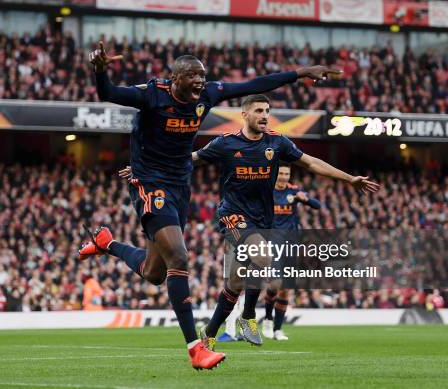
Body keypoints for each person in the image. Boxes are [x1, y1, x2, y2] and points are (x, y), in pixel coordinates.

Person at [80, 41, 340, 369]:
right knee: (179, 256)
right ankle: (196, 349)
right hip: (149, 182)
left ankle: (107, 242)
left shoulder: (207, 95)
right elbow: (109, 94)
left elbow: (255, 84)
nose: (202, 82)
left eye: (204, 76)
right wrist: (100, 70)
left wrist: (301, 73)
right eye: (194, 76)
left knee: (154, 272)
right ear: (176, 79)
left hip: (180, 185)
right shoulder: (152, 94)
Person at [190, 95, 378, 349]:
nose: (264, 115)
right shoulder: (225, 144)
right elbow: (191, 159)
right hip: (232, 214)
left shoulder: (277, 142)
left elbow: (310, 162)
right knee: (263, 256)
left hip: (262, 219)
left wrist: (348, 179)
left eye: (267, 110)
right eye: (258, 110)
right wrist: (149, 170)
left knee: (236, 282)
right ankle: (248, 317)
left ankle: (209, 334)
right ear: (244, 115)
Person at [262, 162, 321, 340]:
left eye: (287, 174)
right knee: (275, 283)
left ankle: (278, 330)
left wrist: (306, 200)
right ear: (275, 174)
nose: (284, 177)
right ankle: (267, 319)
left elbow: (317, 205)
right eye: (281, 174)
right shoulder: (267, 190)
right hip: (273, 242)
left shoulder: (294, 191)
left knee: (286, 289)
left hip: (291, 243)